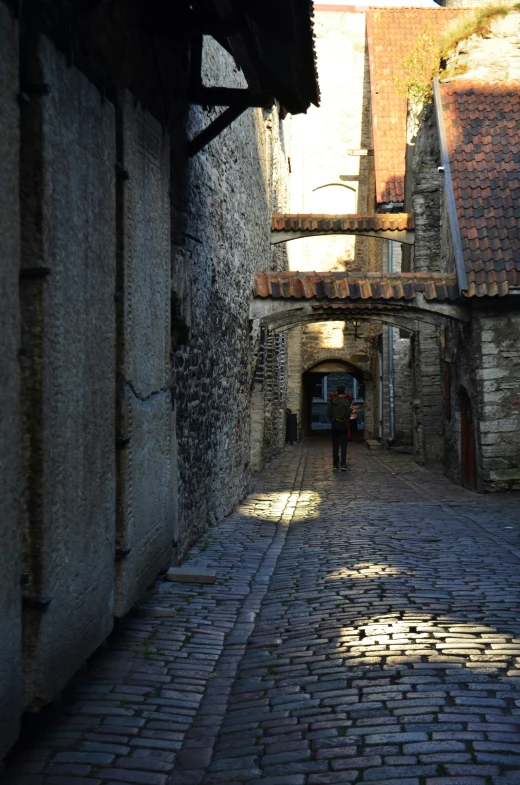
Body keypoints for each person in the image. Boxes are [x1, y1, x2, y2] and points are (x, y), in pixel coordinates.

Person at [327, 384, 352, 472]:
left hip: (335, 423)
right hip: (343, 424)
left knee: (335, 445)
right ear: (344, 391)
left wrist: (333, 418)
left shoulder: (332, 400)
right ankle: (343, 464)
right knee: (344, 445)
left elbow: (329, 413)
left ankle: (335, 464)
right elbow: (349, 415)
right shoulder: (346, 402)